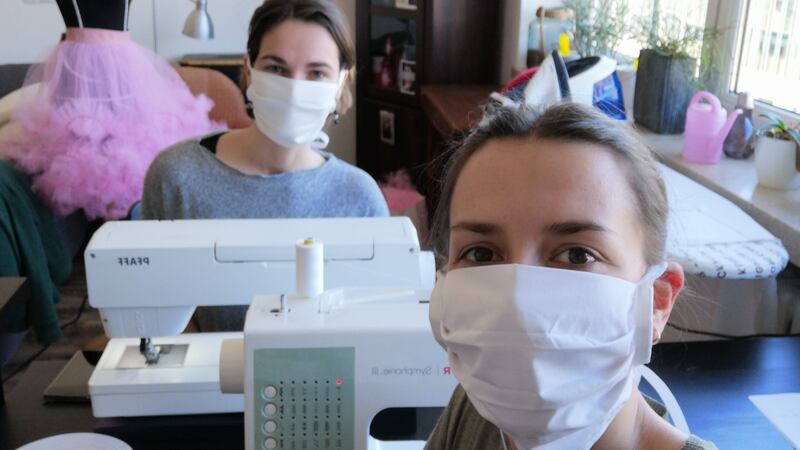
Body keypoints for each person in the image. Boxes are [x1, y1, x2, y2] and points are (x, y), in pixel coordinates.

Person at [424, 102, 717, 450]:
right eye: (481, 253)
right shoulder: (472, 413)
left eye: (577, 255)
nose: (517, 304)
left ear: (657, 301)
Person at [141, 0, 389, 331]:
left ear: (340, 83)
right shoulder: (177, 175)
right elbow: (157, 311)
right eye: (276, 68)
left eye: (316, 73)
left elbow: (377, 324)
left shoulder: (360, 199)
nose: (295, 88)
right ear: (248, 70)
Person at [0, 0, 219, 220]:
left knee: (128, 139)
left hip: (119, 64)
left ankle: (131, 209)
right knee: (78, 138)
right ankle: (103, 215)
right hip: (80, 65)